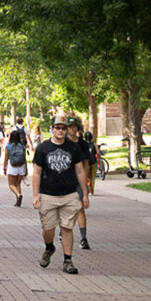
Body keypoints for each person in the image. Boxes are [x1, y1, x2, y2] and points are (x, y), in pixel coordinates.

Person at [32, 114, 89, 274]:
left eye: (63, 128)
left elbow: (80, 171)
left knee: (67, 227)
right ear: (52, 129)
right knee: (48, 229)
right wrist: (35, 195)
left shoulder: (73, 148)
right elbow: (36, 172)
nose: (60, 131)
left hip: (69, 194)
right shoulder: (43, 148)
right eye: (57, 127)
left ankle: (68, 260)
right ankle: (49, 247)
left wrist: (84, 194)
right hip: (48, 194)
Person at [66, 118, 92, 249]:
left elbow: (86, 162)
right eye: (69, 127)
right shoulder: (63, 143)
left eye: (74, 126)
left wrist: (85, 178)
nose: (72, 129)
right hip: (65, 180)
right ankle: (63, 231)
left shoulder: (83, 144)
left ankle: (83, 238)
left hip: (78, 179)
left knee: (80, 208)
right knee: (65, 208)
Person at [3, 129, 29, 206]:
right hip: (21, 167)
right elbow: (25, 158)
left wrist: (4, 168)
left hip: (12, 167)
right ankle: (18, 200)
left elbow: (6, 158)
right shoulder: (22, 146)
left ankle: (18, 195)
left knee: (11, 184)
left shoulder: (8, 146)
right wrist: (26, 169)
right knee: (18, 184)